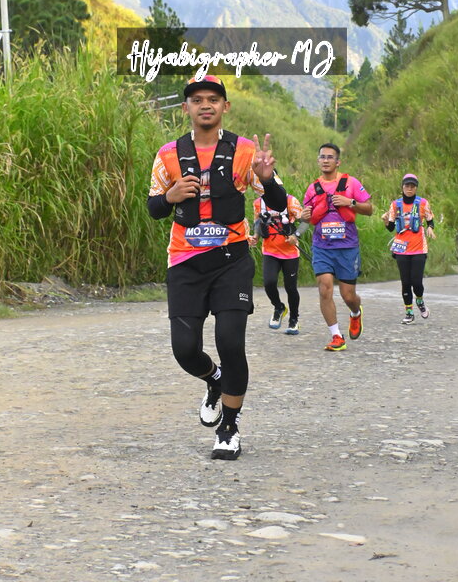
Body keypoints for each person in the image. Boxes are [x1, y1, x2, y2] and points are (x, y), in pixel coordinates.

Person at [147, 74, 287, 461]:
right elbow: (154, 208)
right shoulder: (168, 154)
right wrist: (170, 196)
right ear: (185, 108)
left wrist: (266, 179)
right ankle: (214, 379)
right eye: (197, 100)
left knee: (230, 341)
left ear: (226, 106)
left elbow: (277, 202)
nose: (205, 105)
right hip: (185, 262)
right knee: (184, 350)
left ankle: (229, 428)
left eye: (213, 98)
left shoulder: (245, 151)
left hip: (231, 260)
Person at [301, 143, 373, 351]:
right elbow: (307, 218)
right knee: (325, 288)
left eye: (330, 157)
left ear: (338, 162)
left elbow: (369, 209)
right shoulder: (313, 188)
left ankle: (355, 312)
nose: (325, 160)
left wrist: (350, 202)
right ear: (318, 161)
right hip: (322, 246)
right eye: (322, 157)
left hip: (347, 247)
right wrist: (302, 218)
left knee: (348, 295)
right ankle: (336, 336)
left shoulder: (351, 183)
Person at [381, 174, 436, 324]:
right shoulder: (395, 205)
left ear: (416, 188)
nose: (409, 189)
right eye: (407, 186)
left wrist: (430, 228)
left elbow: (430, 220)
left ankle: (420, 301)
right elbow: (391, 227)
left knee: (416, 282)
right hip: (401, 248)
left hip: (419, 247)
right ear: (402, 187)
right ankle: (409, 312)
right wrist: (386, 221)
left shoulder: (423, 203)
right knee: (405, 282)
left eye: (412, 186)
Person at [250, 193, 307, 334]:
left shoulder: (291, 201)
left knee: (290, 287)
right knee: (269, 283)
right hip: (270, 251)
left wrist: (296, 236)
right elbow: (258, 222)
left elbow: (305, 221)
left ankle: (294, 319)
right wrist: (256, 236)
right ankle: (279, 307)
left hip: (290, 252)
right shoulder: (258, 203)